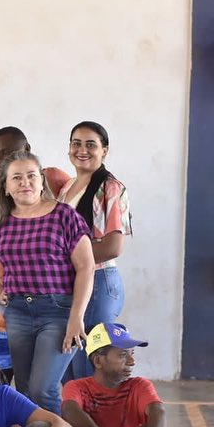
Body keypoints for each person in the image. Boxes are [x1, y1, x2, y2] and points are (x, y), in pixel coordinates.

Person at [0, 151, 94, 414]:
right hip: (17, 312)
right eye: (16, 178)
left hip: (59, 312)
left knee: (43, 389)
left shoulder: (65, 216)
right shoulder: (0, 224)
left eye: (31, 176)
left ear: (42, 181)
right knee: (26, 392)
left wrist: (77, 317)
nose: (24, 182)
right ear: (5, 187)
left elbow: (85, 267)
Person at [0, 126, 72, 383]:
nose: (0, 161)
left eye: (8, 153)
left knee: (40, 385)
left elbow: (77, 216)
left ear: (28, 151)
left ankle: (45, 424)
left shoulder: (52, 178)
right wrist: (2, 191)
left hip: (49, 299)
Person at [57, 122, 132, 381]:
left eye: (91, 144)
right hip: (73, 281)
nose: (82, 150)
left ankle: (94, 422)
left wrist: (68, 263)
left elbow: (113, 246)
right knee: (68, 363)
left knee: (89, 364)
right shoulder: (67, 187)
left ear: (105, 151)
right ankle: (72, 422)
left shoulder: (111, 188)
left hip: (98, 282)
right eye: (76, 143)